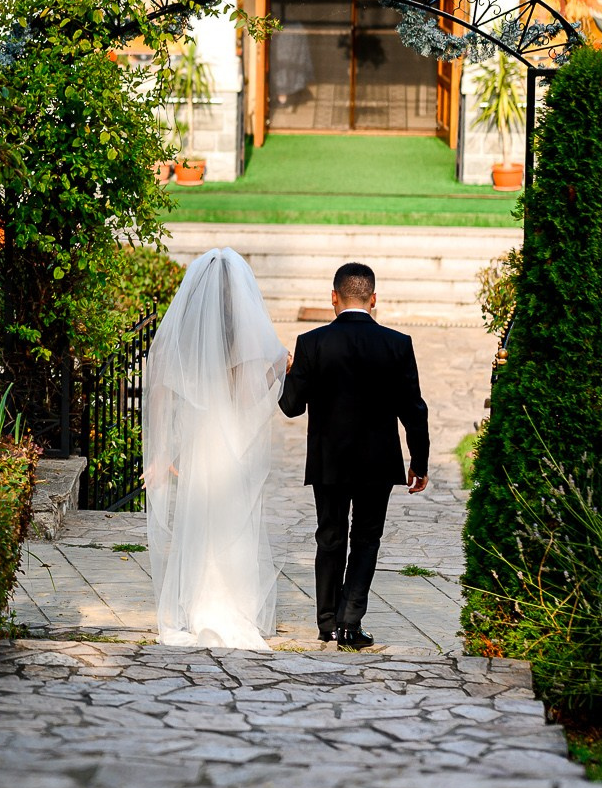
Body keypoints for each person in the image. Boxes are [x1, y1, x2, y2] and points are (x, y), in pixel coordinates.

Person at [277, 262, 430, 649]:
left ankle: (326, 622)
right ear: (373, 299)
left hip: (328, 461)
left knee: (329, 538)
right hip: (377, 463)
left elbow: (291, 407)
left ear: (333, 297)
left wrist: (286, 373)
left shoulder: (311, 343)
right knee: (365, 540)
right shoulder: (397, 344)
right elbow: (414, 409)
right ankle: (350, 623)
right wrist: (420, 461)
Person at [143, 248, 289, 650]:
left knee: (199, 522)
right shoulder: (242, 333)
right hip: (232, 444)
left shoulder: (185, 336)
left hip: (199, 443)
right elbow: (248, 398)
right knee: (234, 523)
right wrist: (279, 367)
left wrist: (163, 450)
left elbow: (161, 392)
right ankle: (232, 606)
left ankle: (197, 606)